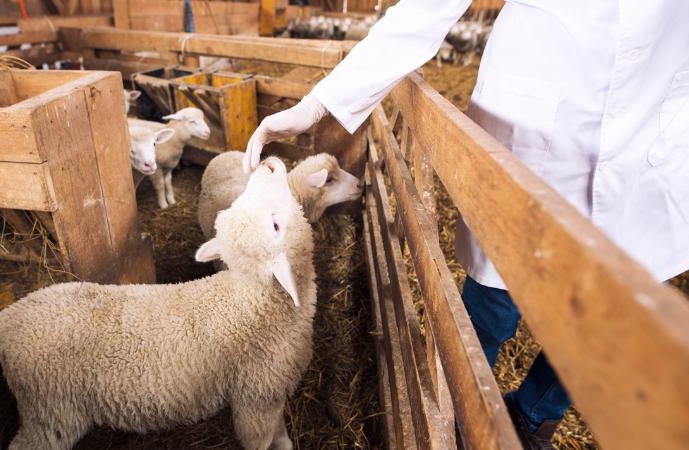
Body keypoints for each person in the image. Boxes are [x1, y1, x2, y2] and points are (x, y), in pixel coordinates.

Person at [242, 1, 689, 448]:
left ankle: (534, 419)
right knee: (493, 306)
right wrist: (319, 104)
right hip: (536, 133)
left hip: (653, 137)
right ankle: (459, 417)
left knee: (608, 318)